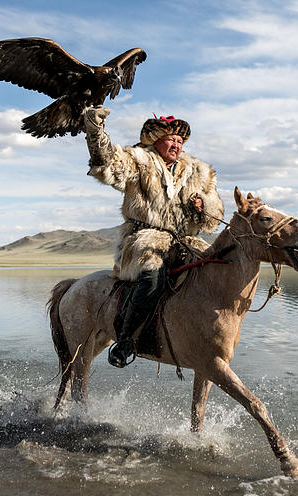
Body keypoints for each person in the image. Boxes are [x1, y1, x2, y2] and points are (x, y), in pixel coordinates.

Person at [83, 106, 224, 368]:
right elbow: (108, 167)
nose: (177, 145)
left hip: (187, 242)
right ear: (155, 140)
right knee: (152, 280)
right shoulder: (137, 159)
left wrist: (204, 207)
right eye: (171, 139)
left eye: (181, 141)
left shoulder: (200, 172)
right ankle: (125, 340)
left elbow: (213, 218)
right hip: (145, 240)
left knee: (215, 272)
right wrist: (95, 131)